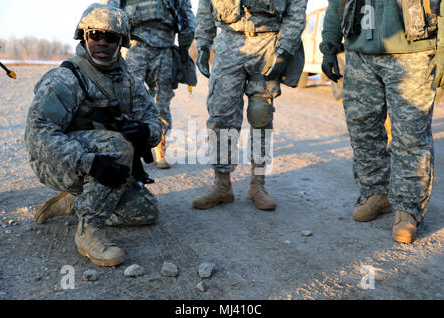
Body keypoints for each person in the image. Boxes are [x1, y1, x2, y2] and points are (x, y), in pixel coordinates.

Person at [25, 3, 163, 266]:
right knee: (117, 144)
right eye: (95, 35)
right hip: (59, 164)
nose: (102, 42)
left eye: (110, 37)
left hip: (104, 164)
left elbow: (153, 121)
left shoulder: (130, 82)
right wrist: (89, 162)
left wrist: (146, 132)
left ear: (121, 42)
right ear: (84, 36)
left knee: (146, 211)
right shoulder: (66, 79)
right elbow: (37, 135)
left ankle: (76, 201)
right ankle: (89, 230)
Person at [320, 0, 442, 243]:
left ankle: (408, 210)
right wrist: (329, 45)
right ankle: (374, 194)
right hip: (360, 52)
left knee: (410, 136)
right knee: (363, 129)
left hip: (413, 51)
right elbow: (337, 3)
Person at [192, 0, 307, 211]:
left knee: (261, 115)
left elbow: (297, 9)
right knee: (220, 115)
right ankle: (222, 185)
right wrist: (202, 44)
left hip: (268, 43)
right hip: (228, 42)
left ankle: (257, 185)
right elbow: (205, 8)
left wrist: (285, 49)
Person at [100, 0, 196, 169]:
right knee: (127, 98)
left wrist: (186, 39)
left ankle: (160, 147)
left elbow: (185, 10)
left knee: (162, 101)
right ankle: (129, 150)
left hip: (165, 46)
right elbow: (109, 7)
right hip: (134, 44)